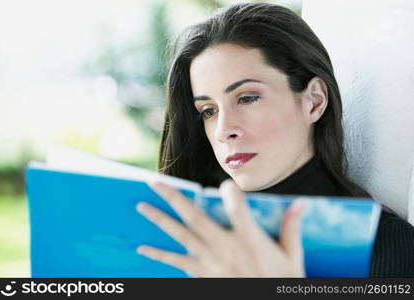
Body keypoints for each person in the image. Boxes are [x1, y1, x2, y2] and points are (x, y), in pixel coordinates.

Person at [135, 2, 414, 277]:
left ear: (314, 101)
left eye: (247, 98)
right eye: (208, 111)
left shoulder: (387, 248)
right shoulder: (179, 236)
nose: (223, 129)